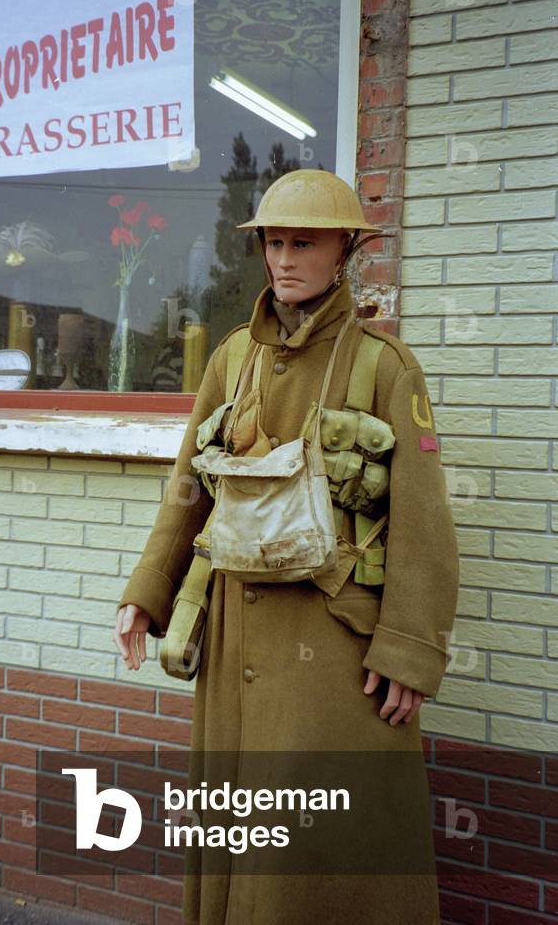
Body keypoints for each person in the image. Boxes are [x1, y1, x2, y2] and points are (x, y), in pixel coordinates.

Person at [114, 169, 460, 924]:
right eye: (274, 241)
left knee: (318, 854)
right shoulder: (232, 358)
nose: (284, 258)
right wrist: (149, 591)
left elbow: (425, 521)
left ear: (344, 251)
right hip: (235, 632)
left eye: (304, 241)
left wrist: (408, 648)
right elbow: (188, 486)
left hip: (334, 649)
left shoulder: (385, 366)